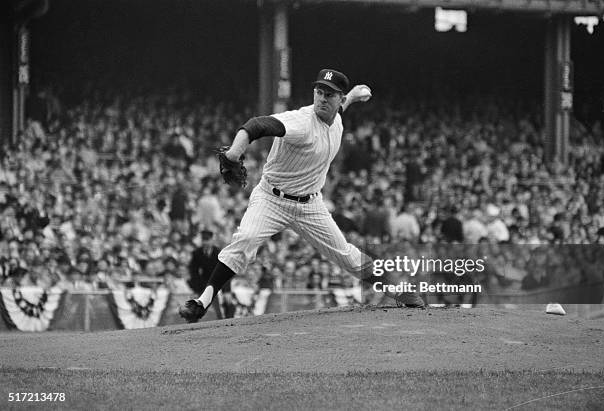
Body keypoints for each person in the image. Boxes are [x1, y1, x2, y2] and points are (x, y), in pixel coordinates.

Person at [179, 69, 424, 323]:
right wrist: (232, 155)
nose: (322, 99)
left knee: (348, 257)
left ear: (338, 99)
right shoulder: (300, 122)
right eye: (319, 92)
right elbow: (256, 125)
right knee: (246, 239)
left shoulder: (336, 119)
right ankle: (201, 302)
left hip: (310, 205)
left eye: (329, 95)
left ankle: (400, 291)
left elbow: (341, 108)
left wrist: (353, 96)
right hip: (271, 199)